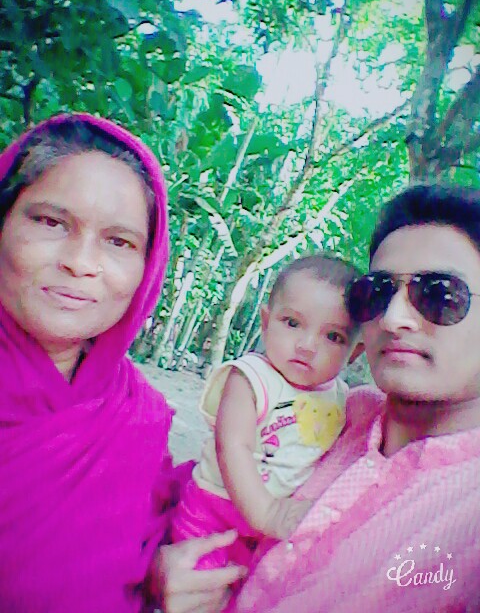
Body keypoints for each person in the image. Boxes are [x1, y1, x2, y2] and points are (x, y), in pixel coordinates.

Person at [0, 113, 244, 613]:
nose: (80, 262)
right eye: (50, 222)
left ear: (147, 267)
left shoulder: (136, 415)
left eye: (118, 242)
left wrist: (156, 571)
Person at [222, 184, 480, 613]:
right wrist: (162, 567)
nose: (393, 318)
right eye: (378, 293)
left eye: (439, 294)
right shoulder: (337, 411)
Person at [172, 255, 364, 570]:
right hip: (214, 510)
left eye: (333, 337)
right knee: (198, 581)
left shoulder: (341, 398)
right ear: (266, 322)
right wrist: (266, 512)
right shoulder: (250, 378)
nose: (307, 345)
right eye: (292, 323)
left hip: (274, 525)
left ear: (354, 353)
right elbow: (232, 446)